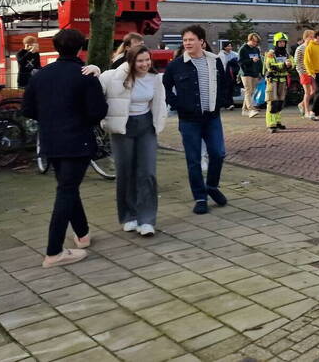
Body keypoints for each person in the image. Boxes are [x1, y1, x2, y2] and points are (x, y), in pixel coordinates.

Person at [21, 28, 107, 267]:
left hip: (51, 140)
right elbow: (98, 111)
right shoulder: (85, 76)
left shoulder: (41, 75)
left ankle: (82, 235)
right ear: (80, 48)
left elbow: (27, 109)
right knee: (66, 191)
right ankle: (53, 251)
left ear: (56, 48)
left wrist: (50, 119)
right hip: (77, 141)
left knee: (68, 187)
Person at [162, 25, 233, 215]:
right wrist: (177, 103)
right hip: (189, 120)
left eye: (191, 40)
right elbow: (165, 88)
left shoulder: (215, 61)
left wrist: (222, 102)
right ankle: (200, 197)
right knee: (193, 160)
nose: (187, 43)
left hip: (212, 117)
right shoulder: (175, 65)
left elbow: (225, 83)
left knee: (218, 153)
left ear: (201, 41)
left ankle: (211, 186)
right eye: (185, 40)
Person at [99, 44, 166, 237]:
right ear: (131, 61)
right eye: (140, 61)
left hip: (146, 126)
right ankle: (128, 215)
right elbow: (96, 88)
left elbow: (159, 103)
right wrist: (95, 69)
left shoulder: (155, 79)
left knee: (147, 172)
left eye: (147, 60)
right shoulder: (114, 77)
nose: (144, 64)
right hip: (123, 127)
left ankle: (147, 219)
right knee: (125, 171)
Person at [263, 32, 292, 133]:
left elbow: (292, 64)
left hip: (283, 80)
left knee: (280, 102)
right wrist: (284, 65)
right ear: (276, 42)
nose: (282, 44)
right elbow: (270, 66)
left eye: (284, 42)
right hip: (273, 80)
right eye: (280, 42)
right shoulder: (271, 54)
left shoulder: (287, 54)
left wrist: (290, 65)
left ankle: (278, 121)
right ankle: (271, 124)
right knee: (272, 102)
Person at [238, 33, 263, 118]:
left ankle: (244, 110)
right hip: (246, 73)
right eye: (254, 41)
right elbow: (240, 62)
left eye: (257, 42)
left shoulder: (256, 49)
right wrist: (251, 60)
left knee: (251, 92)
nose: (256, 43)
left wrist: (261, 72)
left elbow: (259, 61)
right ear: (250, 40)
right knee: (248, 90)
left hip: (254, 73)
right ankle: (251, 109)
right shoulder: (243, 49)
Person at [294, 29, 315, 118]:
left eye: (313, 37)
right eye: (311, 37)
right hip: (304, 72)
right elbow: (296, 62)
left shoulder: (312, 47)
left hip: (312, 72)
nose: (313, 38)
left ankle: (302, 104)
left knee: (314, 90)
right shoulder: (300, 48)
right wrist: (301, 72)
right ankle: (306, 111)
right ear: (306, 37)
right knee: (307, 92)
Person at [219, 42, 241, 111]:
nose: (230, 47)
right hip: (225, 74)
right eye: (228, 46)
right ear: (224, 47)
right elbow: (222, 65)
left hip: (232, 74)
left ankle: (230, 104)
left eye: (230, 46)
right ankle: (227, 104)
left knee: (230, 89)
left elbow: (238, 58)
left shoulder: (233, 53)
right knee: (226, 90)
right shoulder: (221, 55)